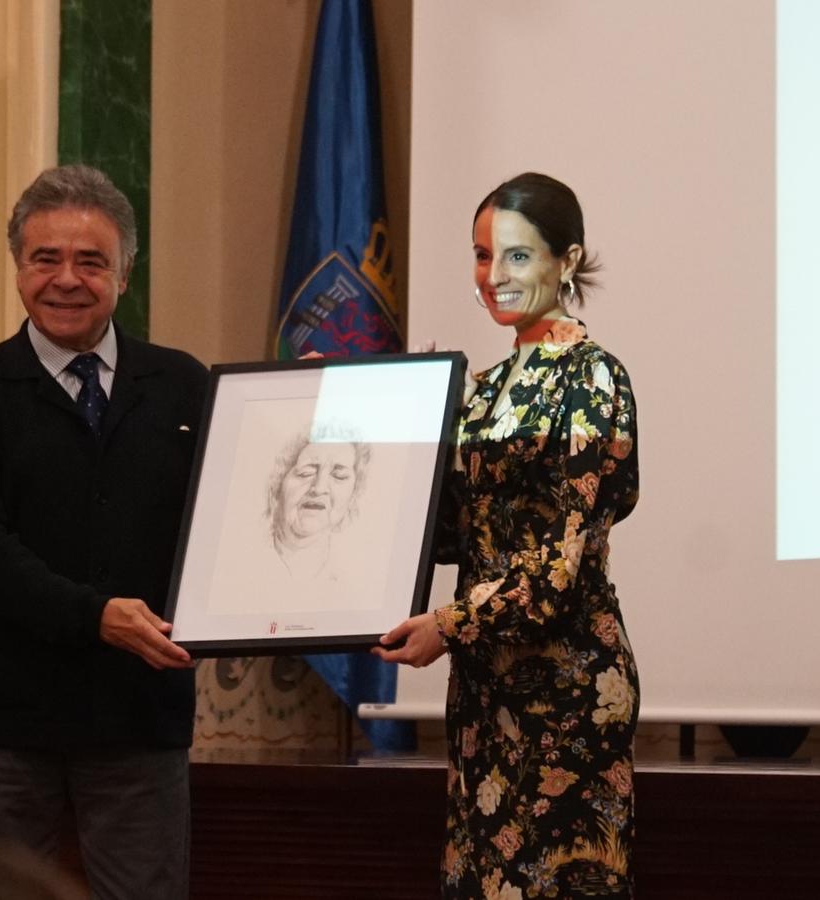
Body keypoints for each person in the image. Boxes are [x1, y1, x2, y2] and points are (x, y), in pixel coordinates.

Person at [0, 164, 206, 900]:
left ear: (125, 274)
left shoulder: (184, 386)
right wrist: (97, 616)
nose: (66, 279)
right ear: (18, 267)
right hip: (6, 720)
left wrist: (307, 417)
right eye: (45, 259)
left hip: (139, 716)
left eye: (91, 261)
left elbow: (229, 518)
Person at [376, 173, 641, 897]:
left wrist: (447, 624)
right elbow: (451, 535)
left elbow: (559, 565)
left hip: (565, 687)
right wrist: (351, 425)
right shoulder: (483, 388)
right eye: (482, 255)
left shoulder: (594, 380)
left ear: (567, 260)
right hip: (484, 683)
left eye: (518, 257)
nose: (494, 277)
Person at [266, 427, 370, 580]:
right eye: (305, 473)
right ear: (278, 486)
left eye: (339, 476)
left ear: (353, 496)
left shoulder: (353, 578)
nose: (319, 488)